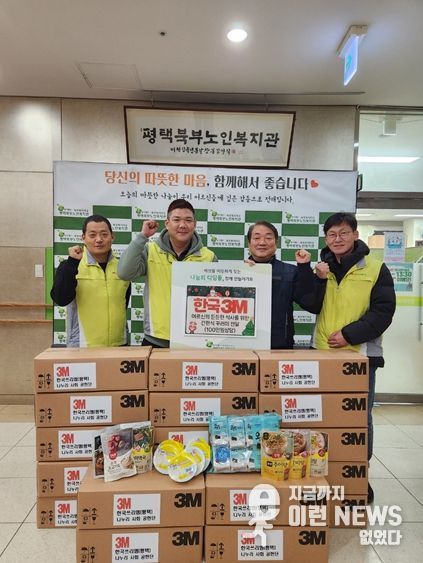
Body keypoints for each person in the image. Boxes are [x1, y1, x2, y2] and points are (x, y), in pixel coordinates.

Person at [296, 212, 396, 503]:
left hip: (359, 356)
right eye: (331, 234)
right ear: (325, 238)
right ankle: (318, 474)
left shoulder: (376, 268)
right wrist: (310, 274)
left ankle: (358, 475)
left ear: (355, 234)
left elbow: (383, 312)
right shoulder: (322, 268)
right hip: (321, 354)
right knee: (319, 416)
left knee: (359, 420)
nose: (337, 239)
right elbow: (310, 304)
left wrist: (350, 335)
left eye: (343, 233)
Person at [117, 199, 217, 348]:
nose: (182, 225)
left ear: (195, 224)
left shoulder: (208, 257)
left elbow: (219, 298)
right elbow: (124, 273)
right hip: (156, 339)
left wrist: (250, 270)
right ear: (167, 223)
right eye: (176, 220)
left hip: (194, 340)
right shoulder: (150, 250)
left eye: (188, 220)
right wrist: (142, 236)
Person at [50, 215, 130, 347]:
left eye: (104, 234)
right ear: (83, 238)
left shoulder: (122, 267)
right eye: (92, 235)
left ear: (112, 236)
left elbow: (123, 303)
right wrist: (72, 263)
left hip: (118, 344)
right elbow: (61, 299)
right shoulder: (70, 265)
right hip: (82, 345)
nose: (99, 240)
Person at [246, 221, 317, 349]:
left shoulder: (290, 272)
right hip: (244, 343)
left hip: (279, 345)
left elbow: (310, 303)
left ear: (276, 243)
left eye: (268, 238)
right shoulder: (236, 272)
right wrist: (244, 273)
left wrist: (304, 268)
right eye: (256, 238)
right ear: (249, 243)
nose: (262, 242)